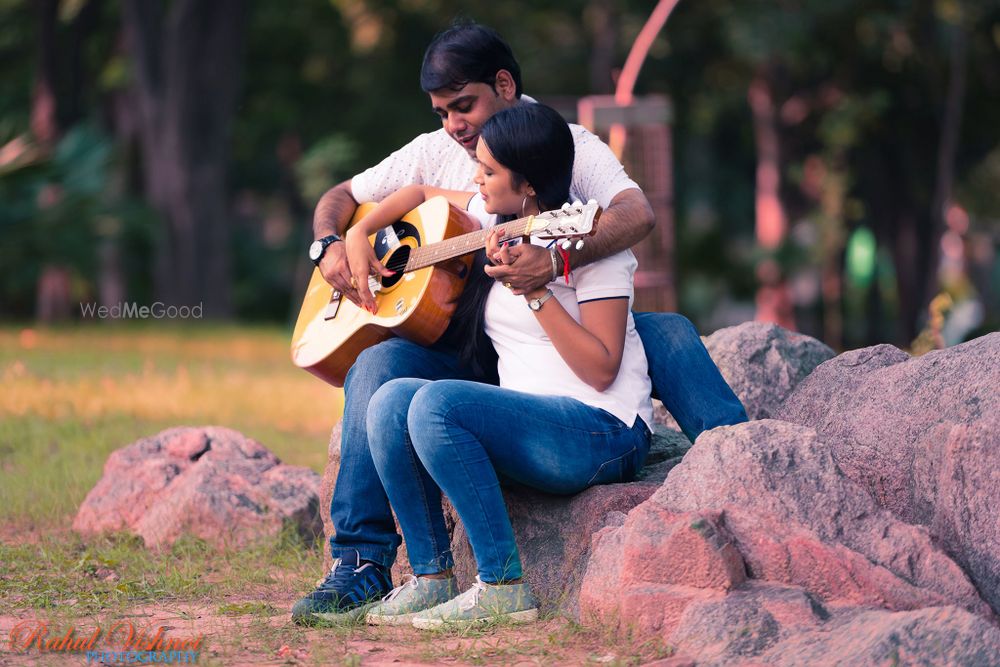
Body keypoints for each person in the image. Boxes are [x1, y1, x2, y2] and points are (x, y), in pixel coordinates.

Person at [291, 21, 748, 626]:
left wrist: (553, 266)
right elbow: (350, 195)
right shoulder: (450, 157)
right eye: (441, 112)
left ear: (504, 85)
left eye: (464, 107)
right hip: (478, 344)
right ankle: (363, 562)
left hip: (561, 340)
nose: (454, 127)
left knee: (662, 331)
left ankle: (745, 469)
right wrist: (339, 239)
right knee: (378, 370)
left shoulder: (570, 148)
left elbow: (634, 213)